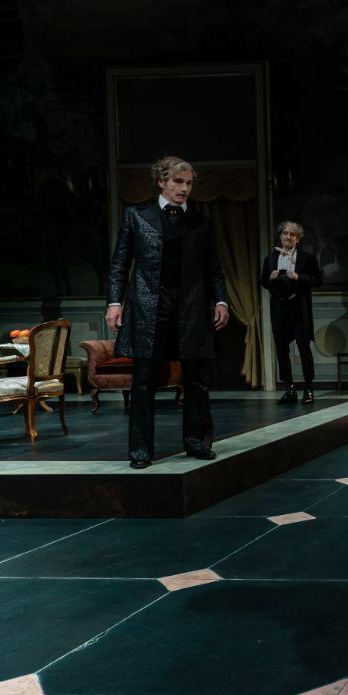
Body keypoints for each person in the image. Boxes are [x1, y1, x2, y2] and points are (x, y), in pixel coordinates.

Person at [106, 156, 229, 469]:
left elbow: (213, 268)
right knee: (143, 382)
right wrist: (114, 302)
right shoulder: (136, 215)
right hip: (149, 309)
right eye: (178, 182)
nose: (184, 188)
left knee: (197, 381)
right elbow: (120, 263)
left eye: (188, 183)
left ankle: (198, 443)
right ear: (162, 182)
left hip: (190, 310)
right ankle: (140, 451)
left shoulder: (201, 222)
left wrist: (221, 301)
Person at [261, 220, 322, 404]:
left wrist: (299, 277)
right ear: (280, 236)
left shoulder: (306, 258)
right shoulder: (270, 259)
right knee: (281, 349)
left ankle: (309, 389)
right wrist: (270, 278)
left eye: (292, 235)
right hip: (279, 308)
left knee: (303, 348)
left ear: (298, 239)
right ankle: (290, 389)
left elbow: (318, 280)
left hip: (298, 306)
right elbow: (263, 282)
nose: (288, 237)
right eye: (285, 233)